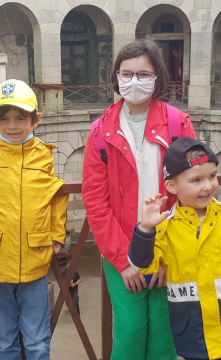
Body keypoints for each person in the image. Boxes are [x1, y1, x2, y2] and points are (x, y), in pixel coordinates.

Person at [82, 39, 196, 360]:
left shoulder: (178, 124)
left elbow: (191, 193)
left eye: (143, 74)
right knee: (130, 336)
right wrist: (122, 261)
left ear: (157, 76)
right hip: (122, 254)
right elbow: (95, 200)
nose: (134, 81)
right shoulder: (100, 131)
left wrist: (170, 255)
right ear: (116, 77)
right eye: (127, 74)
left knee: (164, 338)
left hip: (168, 250)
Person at [128, 138, 221, 360]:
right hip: (193, 334)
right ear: (172, 186)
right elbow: (143, 265)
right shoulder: (164, 228)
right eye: (196, 180)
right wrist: (145, 228)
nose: (207, 186)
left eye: (212, 176)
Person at [0, 79, 69, 360]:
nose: (12, 125)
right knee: (5, 339)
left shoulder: (45, 154)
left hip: (35, 258)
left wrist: (58, 235)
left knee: (36, 342)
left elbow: (56, 194)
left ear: (35, 120)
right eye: (4, 118)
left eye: (20, 118)